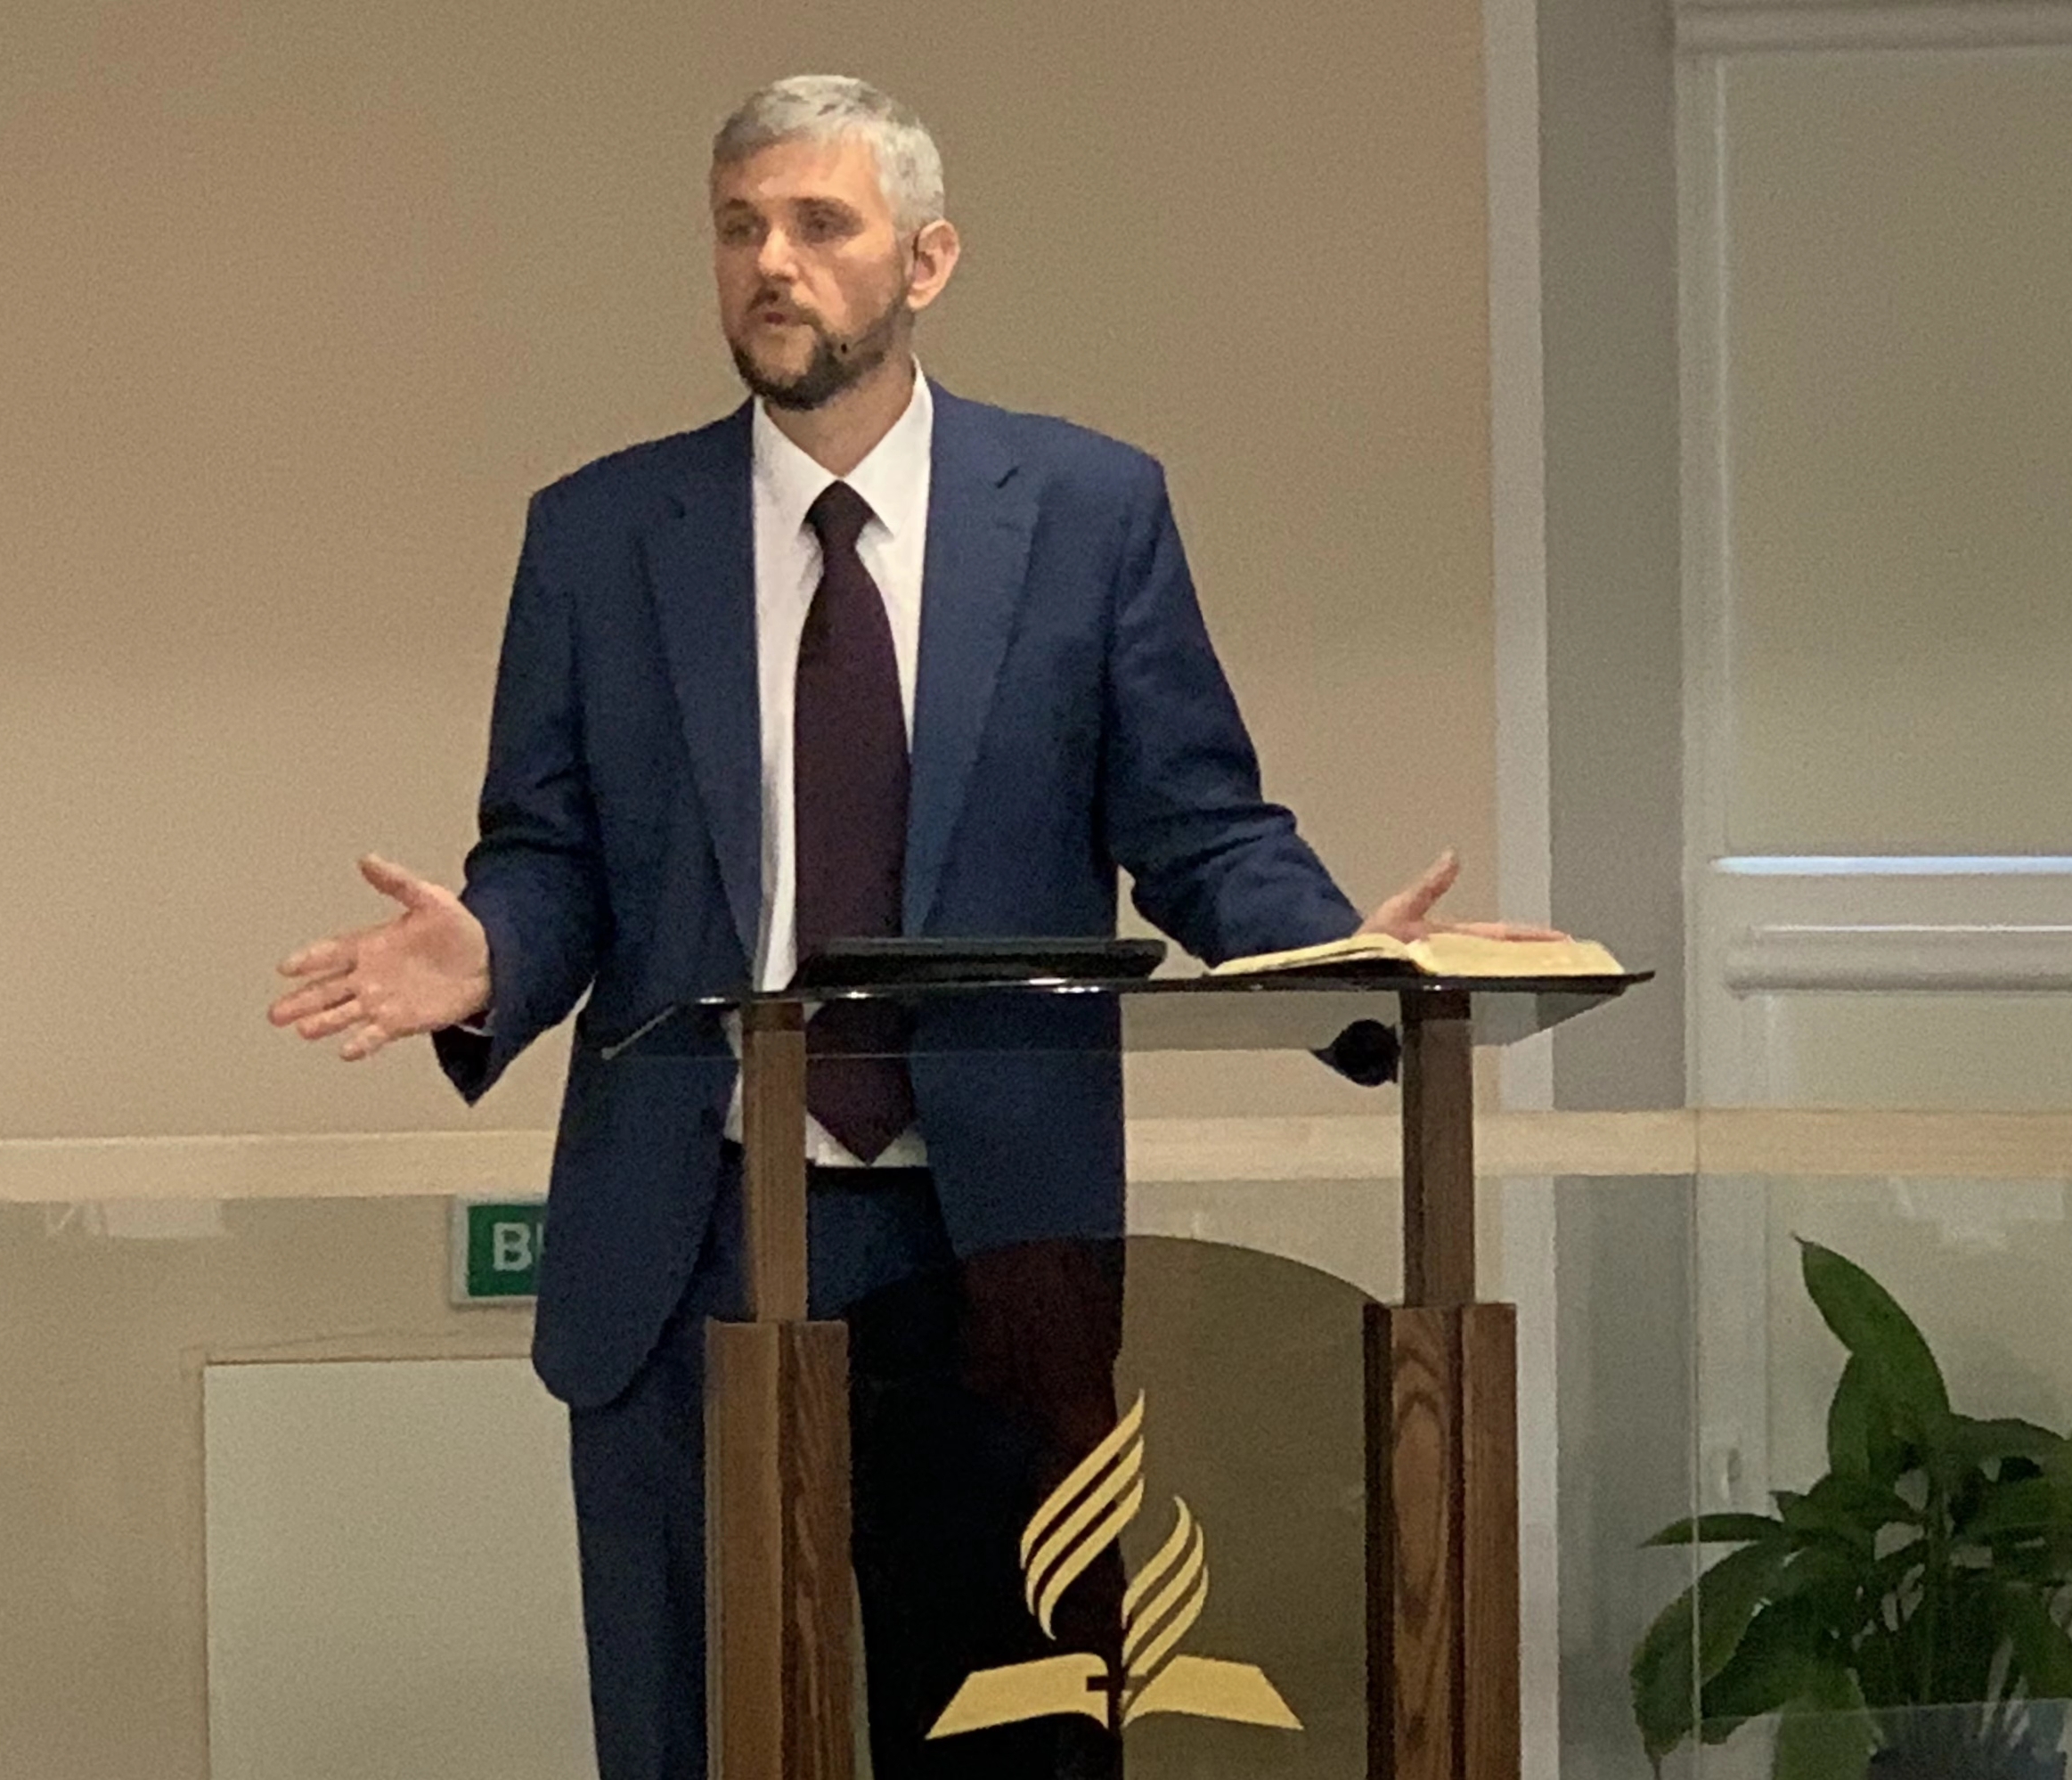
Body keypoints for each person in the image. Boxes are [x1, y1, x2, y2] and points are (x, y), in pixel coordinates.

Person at [266, 74, 1551, 1780]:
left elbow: (1196, 822)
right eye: (740, 229)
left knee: (1012, 1728)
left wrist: (1339, 965)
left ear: (927, 260)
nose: (770, 262)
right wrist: (494, 952)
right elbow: (555, 854)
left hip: (992, 1237)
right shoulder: (601, 533)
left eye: (820, 224)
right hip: (695, 1241)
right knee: (694, 1730)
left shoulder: (1088, 511)